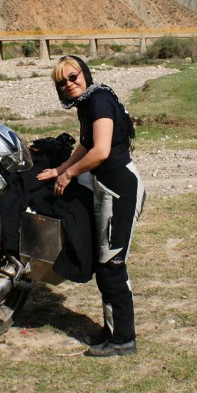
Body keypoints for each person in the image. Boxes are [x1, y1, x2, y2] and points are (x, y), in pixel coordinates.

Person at [36, 55, 146, 357]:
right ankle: (113, 329)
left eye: (73, 76)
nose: (69, 84)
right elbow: (85, 144)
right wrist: (61, 168)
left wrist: (69, 174)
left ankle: (123, 338)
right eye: (62, 82)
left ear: (84, 73)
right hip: (106, 186)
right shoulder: (89, 101)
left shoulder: (97, 100)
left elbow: (100, 151)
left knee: (112, 263)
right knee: (104, 262)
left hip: (119, 188)